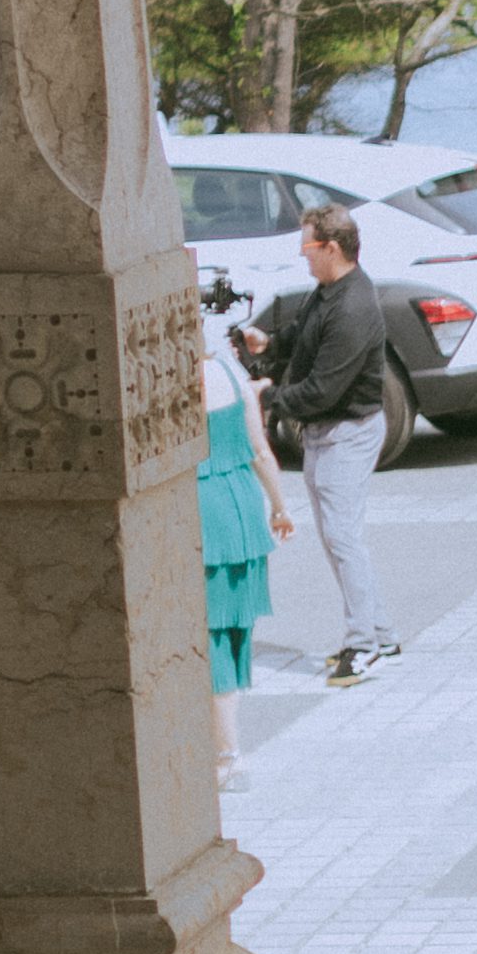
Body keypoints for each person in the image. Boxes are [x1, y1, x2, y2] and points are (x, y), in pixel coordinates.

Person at [265, 204, 404, 685]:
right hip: (326, 435)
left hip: (347, 433)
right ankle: (382, 634)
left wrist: (269, 397)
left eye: (307, 248)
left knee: (343, 540)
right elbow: (303, 332)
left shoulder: (353, 307)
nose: (302, 257)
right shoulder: (329, 290)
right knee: (340, 540)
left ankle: (363, 648)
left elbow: (322, 390)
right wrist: (270, 343)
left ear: (331, 247)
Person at [197, 299, 290, 778]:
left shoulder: (180, 383)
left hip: (203, 511)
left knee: (209, 634)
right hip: (243, 508)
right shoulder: (234, 374)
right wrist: (280, 506)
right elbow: (259, 449)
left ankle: (225, 755)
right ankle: (228, 748)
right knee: (234, 633)